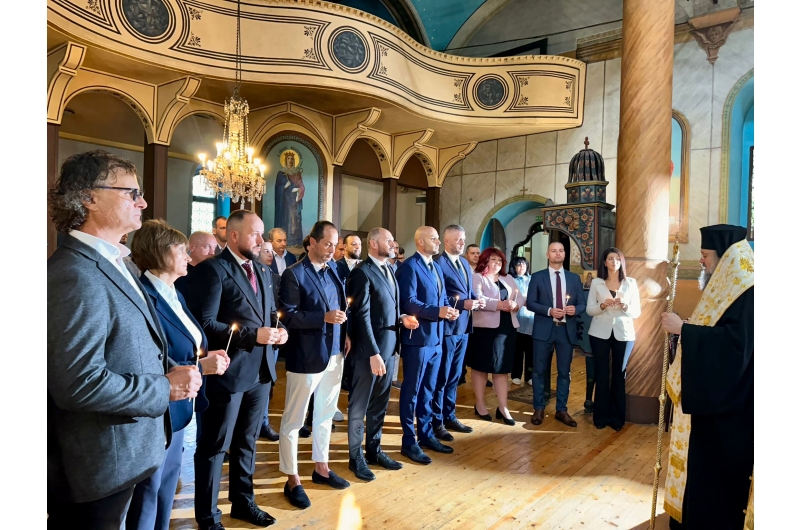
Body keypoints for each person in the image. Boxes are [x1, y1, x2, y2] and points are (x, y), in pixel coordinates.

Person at [47, 150, 201, 528]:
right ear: (89, 197)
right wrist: (164, 387)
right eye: (131, 193)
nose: (143, 202)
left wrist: (172, 368)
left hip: (130, 453)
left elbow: (136, 341)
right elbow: (78, 384)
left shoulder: (119, 262)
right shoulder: (75, 274)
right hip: (101, 465)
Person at [127, 220, 230, 530]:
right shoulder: (143, 296)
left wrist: (205, 356)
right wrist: (201, 367)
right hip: (157, 412)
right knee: (147, 494)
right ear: (160, 253)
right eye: (181, 250)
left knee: (166, 488)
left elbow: (186, 341)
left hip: (179, 410)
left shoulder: (174, 292)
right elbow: (147, 358)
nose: (188, 256)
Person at [186, 209, 286, 530]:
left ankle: (243, 503)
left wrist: (279, 332)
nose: (261, 239)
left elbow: (269, 316)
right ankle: (207, 517)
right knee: (215, 447)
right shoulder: (213, 270)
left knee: (247, 443)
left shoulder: (263, 270)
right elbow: (204, 324)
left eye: (262, 233)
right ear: (233, 235)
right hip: (228, 373)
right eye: (255, 233)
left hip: (261, 372)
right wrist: (251, 335)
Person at [660, 225, 754, 530]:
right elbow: (720, 330)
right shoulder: (730, 284)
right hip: (716, 400)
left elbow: (736, 348)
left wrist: (684, 330)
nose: (701, 260)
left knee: (717, 480)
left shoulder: (747, 289)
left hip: (730, 409)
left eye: (704, 255)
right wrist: (689, 327)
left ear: (723, 255)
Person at [278, 221, 351, 510]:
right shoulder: (294, 273)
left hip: (334, 353)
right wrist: (323, 317)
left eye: (335, 244)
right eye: (327, 244)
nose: (333, 249)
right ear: (312, 242)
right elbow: (287, 315)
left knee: (324, 415)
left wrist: (345, 335)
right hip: (306, 356)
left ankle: (321, 467)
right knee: (294, 421)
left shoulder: (333, 270)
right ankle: (292, 478)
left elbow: (340, 307)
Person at [345, 227, 417, 481]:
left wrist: (402, 317)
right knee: (359, 406)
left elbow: (387, 307)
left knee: (379, 405)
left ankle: (374, 450)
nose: (393, 244)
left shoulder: (390, 269)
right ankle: (355, 457)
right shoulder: (361, 272)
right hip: (369, 352)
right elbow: (361, 316)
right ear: (374, 244)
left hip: (389, 348)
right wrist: (373, 353)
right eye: (389, 241)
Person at [396, 226, 459, 464]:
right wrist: (437, 311)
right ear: (420, 242)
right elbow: (408, 302)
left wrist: (448, 310)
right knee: (412, 392)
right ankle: (408, 441)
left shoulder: (436, 266)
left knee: (429, 391)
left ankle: (426, 434)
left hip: (437, 338)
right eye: (433, 239)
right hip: (418, 339)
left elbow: (441, 297)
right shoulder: (409, 267)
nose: (438, 242)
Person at [432, 225, 485, 441]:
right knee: (442, 377)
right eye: (458, 240)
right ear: (447, 242)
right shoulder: (438, 263)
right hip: (447, 327)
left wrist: (476, 300)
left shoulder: (464, 263)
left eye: (463, 239)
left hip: (464, 327)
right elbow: (439, 296)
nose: (462, 243)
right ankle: (436, 421)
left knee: (455, 376)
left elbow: (468, 290)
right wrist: (464, 304)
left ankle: (449, 415)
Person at [526, 242, 586, 428]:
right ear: (547, 254)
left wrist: (575, 309)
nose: (557, 254)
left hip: (566, 331)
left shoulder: (574, 278)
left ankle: (561, 409)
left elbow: (582, 304)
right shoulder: (538, 277)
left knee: (564, 372)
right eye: (553, 251)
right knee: (539, 371)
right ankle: (538, 408)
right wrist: (549, 310)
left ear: (565, 254)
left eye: (560, 251)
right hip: (544, 329)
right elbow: (530, 303)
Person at [467, 249, 527, 425]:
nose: (497, 263)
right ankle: (480, 404)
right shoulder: (477, 277)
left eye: (500, 260)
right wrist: (500, 304)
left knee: (502, 369)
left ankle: (503, 407)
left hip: (507, 328)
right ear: (485, 261)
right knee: (481, 367)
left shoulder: (507, 278)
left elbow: (520, 296)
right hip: (484, 329)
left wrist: (516, 305)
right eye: (493, 259)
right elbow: (478, 298)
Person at [585, 247, 641, 431]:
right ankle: (600, 417)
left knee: (619, 374)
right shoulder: (597, 283)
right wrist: (602, 305)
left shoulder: (630, 283)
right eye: (610, 258)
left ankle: (617, 419)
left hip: (624, 333)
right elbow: (589, 310)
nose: (614, 261)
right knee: (601, 374)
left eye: (617, 258)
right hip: (599, 332)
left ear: (621, 262)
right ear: (605, 262)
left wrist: (625, 306)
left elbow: (636, 312)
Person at [256, 239, 281, 442]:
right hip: (253, 338)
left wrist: (281, 328)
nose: (270, 254)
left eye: (271, 251)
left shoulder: (273, 276)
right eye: (265, 251)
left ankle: (263, 422)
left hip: (272, 337)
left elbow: (275, 308)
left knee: (267, 384)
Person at [509, 256, 534, 386]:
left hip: (530, 319)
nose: (521, 267)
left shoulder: (532, 279)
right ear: (514, 267)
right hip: (516, 317)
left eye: (524, 264)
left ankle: (530, 376)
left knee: (531, 350)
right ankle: (516, 374)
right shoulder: (511, 280)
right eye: (518, 265)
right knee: (517, 349)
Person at [274, 151, 305, 246]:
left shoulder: (297, 173)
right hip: (285, 202)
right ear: (285, 160)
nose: (290, 161)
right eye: (288, 158)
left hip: (294, 201)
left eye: (292, 159)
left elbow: (301, 186)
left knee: (295, 221)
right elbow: (277, 188)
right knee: (286, 220)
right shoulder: (281, 174)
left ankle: (295, 241)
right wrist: (284, 186)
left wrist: (299, 189)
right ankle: (284, 241)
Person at [175, 231, 217, 295]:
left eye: (214, 248)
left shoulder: (215, 272)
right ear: (192, 247)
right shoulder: (179, 274)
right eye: (207, 247)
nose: (212, 253)